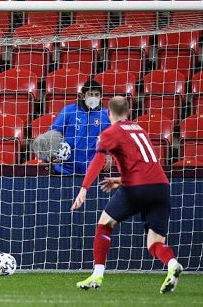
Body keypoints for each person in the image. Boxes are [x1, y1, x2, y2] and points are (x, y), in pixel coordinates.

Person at [71, 96, 183, 294]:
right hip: (162, 187)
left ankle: (97, 274)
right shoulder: (140, 129)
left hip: (137, 188)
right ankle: (172, 263)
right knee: (155, 243)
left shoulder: (110, 132)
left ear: (108, 112)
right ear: (129, 111)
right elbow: (146, 166)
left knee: (104, 224)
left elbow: (98, 159)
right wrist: (121, 180)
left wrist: (84, 188)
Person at [48, 79, 110, 174]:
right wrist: (54, 152)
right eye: (90, 94)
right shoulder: (69, 111)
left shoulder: (106, 115)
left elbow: (112, 139)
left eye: (96, 95)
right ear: (83, 96)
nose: (93, 97)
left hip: (92, 170)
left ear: (101, 97)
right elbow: (53, 133)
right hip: (65, 169)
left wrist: (109, 154)